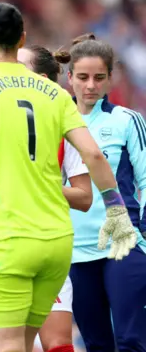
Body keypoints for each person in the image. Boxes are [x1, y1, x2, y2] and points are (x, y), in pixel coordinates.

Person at [0, 2, 136, 352]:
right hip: (56, 245)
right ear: (22, 38)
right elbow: (93, 154)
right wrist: (116, 210)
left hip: (6, 242)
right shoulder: (57, 94)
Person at [62, 34, 146, 351]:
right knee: (96, 344)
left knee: (130, 341)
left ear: (110, 78)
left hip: (123, 245)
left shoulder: (127, 120)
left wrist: (144, 232)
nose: (90, 85)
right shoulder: (53, 123)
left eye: (99, 77)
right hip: (75, 251)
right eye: (82, 77)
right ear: (69, 78)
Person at [17, 44, 93, 352]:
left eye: (19, 70)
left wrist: (40, 186)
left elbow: (84, 197)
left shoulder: (65, 128)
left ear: (44, 80)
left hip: (49, 243)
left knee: (58, 344)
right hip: (0, 244)